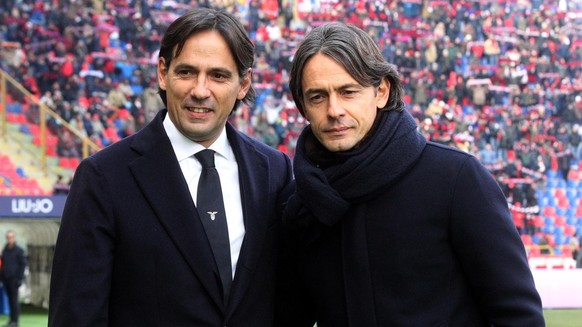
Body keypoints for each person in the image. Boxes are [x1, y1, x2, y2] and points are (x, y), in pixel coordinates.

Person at [275, 22, 545, 326]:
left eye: (348, 92)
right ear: (303, 107)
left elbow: (518, 315)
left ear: (381, 91)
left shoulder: (456, 179)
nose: (334, 109)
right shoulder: (301, 206)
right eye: (318, 97)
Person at [49, 8, 293, 326]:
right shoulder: (104, 178)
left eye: (218, 75)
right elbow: (76, 316)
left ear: (243, 83)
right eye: (187, 72)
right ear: (163, 73)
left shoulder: (274, 172)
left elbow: (288, 302)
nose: (200, 90)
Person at [0, 230, 27, 327]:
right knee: (10, 300)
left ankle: (15, 321)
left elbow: (23, 265)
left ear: (14, 238)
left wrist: (20, 278)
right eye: (8, 237)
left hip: (14, 279)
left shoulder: (19, 250)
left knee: (14, 300)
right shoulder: (5, 250)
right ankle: (11, 320)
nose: (9, 239)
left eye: (11, 237)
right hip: (6, 279)